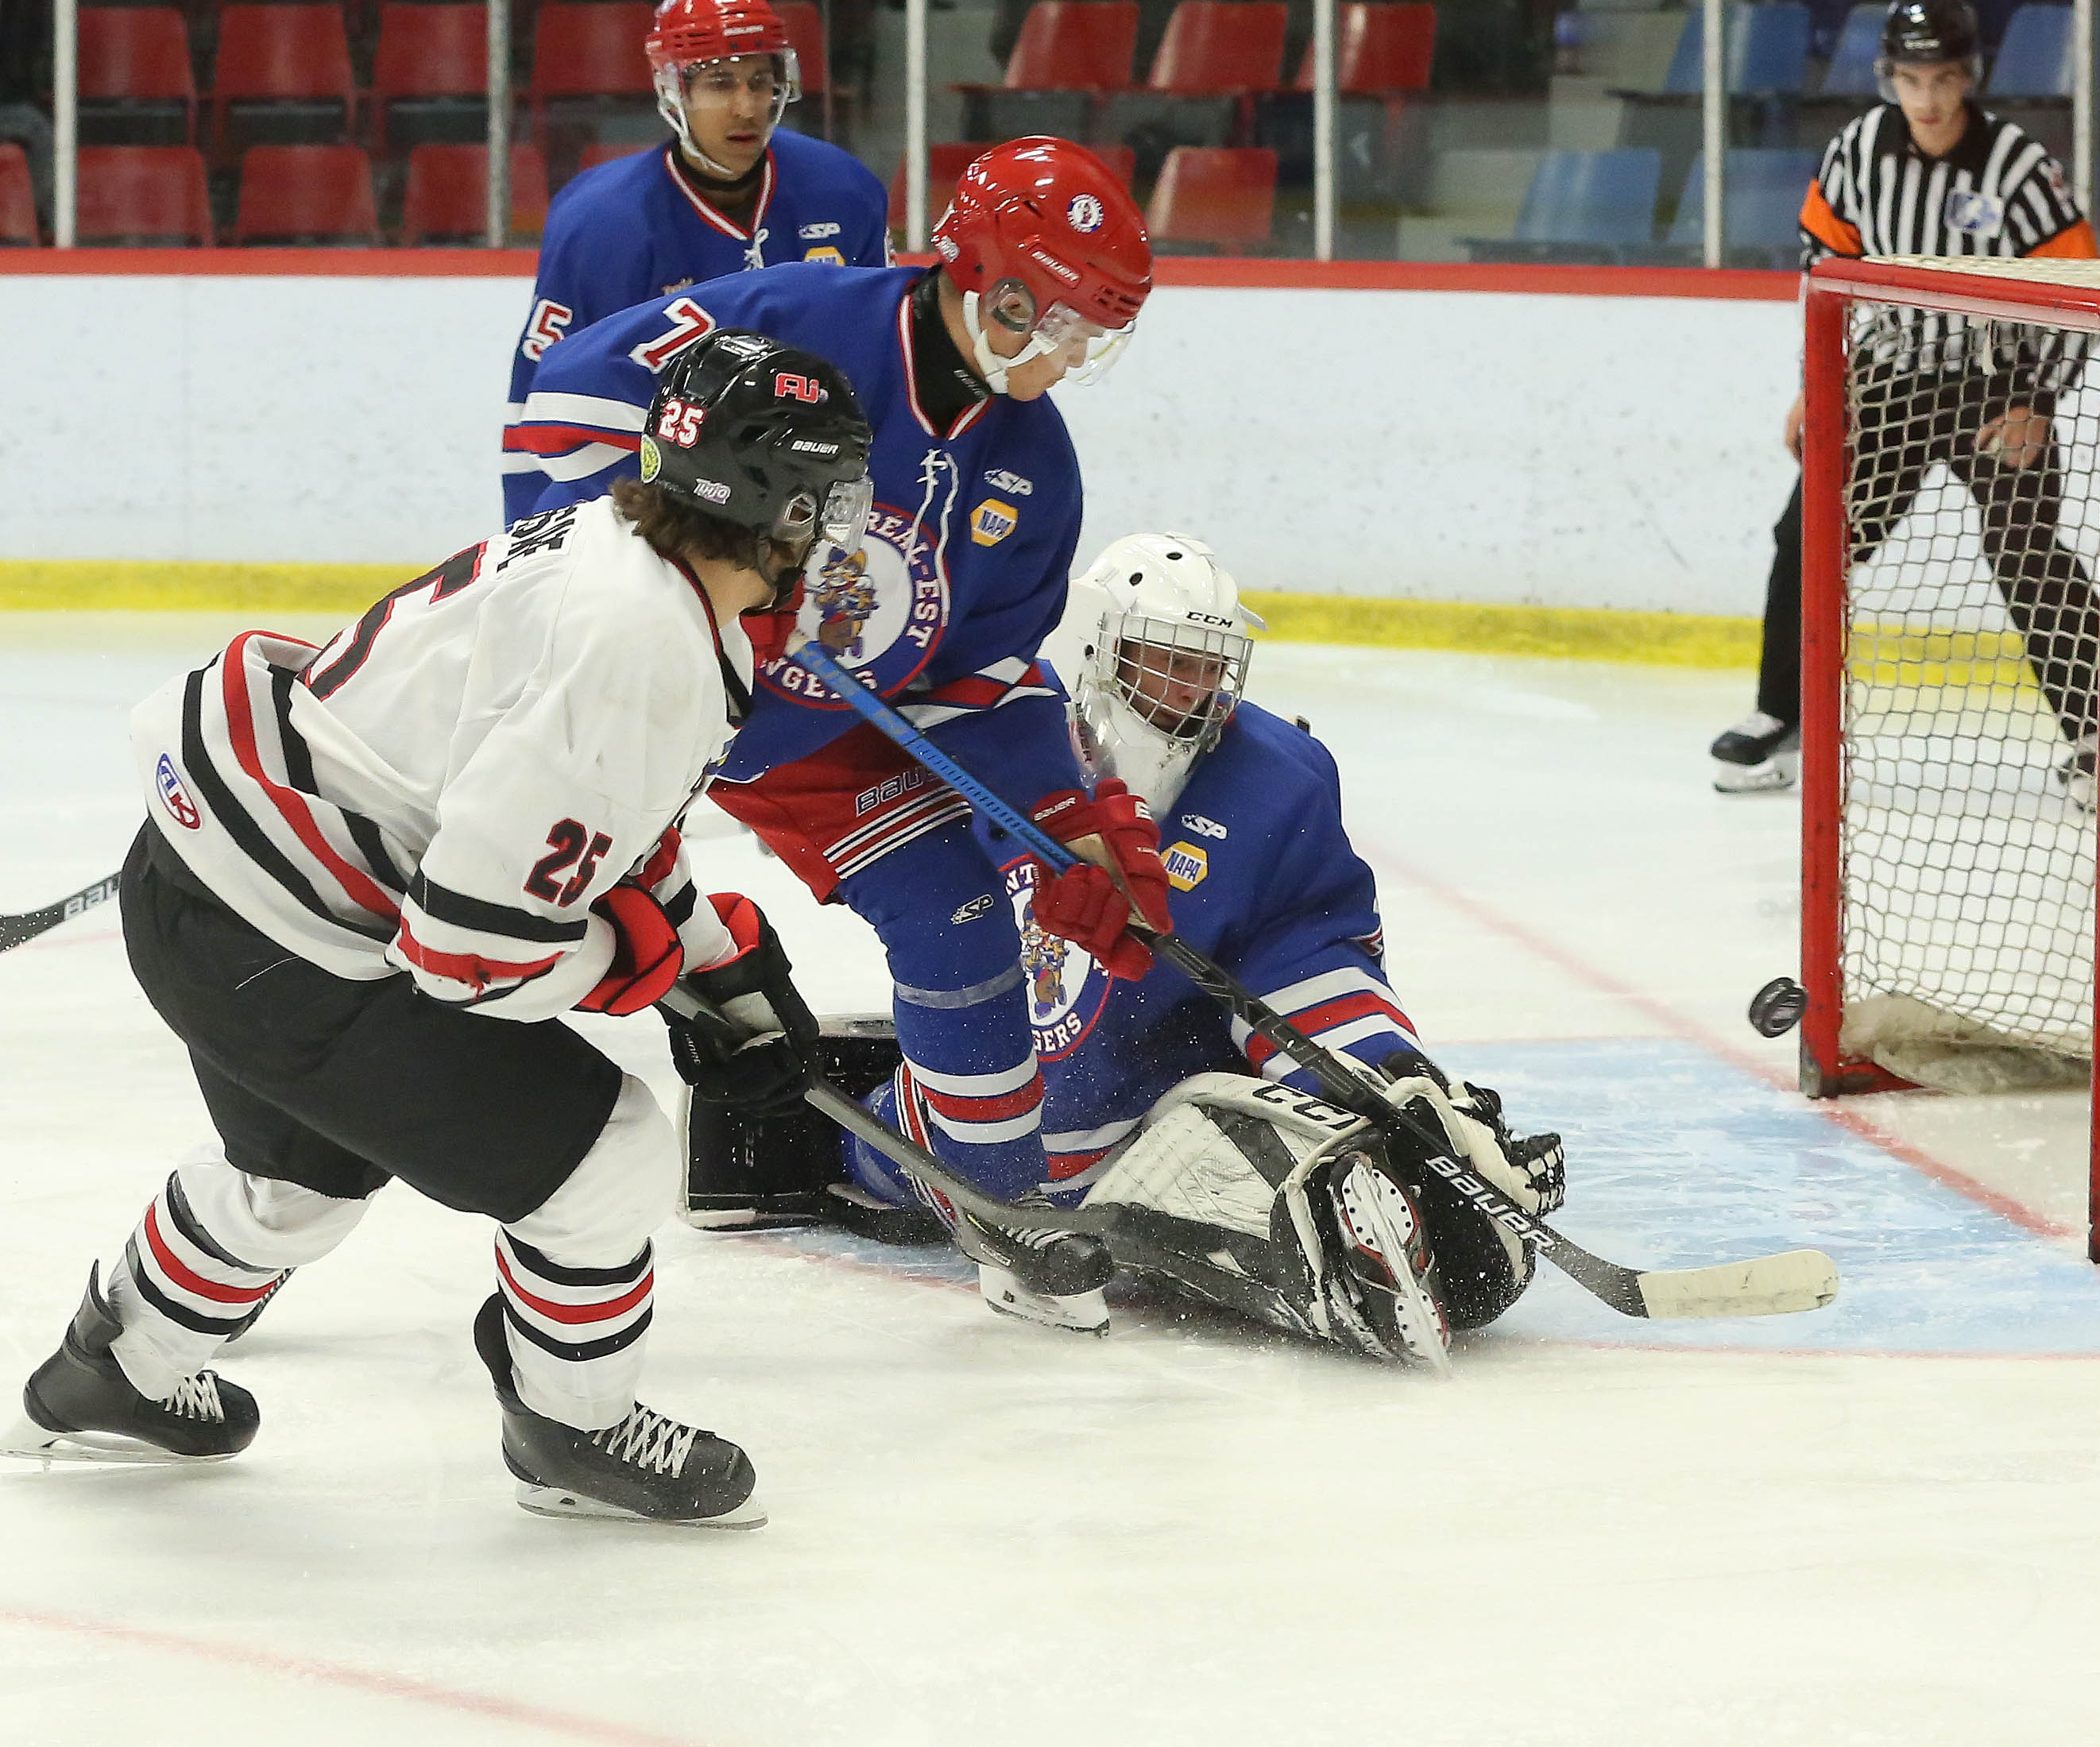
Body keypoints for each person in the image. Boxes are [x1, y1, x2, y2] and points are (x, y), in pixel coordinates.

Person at [7, 334, 876, 1529]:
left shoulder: (620, 547)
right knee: (604, 1155)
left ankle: (115, 1367)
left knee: (300, 1177)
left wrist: (711, 956)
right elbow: (468, 957)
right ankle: (572, 1425)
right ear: (778, 503)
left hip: (208, 883)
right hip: (286, 935)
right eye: (833, 499)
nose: (841, 528)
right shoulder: (642, 644)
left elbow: (583, 815)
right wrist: (639, 969)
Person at [516, 141, 1183, 1314]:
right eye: (1058, 322)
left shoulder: (1036, 469)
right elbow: (566, 400)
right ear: (989, 277)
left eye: (1096, 337)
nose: (1071, 357)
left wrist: (1066, 824)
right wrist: (633, 598)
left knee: (963, 918)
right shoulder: (796, 321)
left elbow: (974, 683)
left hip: (808, 737)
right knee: (488, 927)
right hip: (655, 687)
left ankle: (1002, 1217)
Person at [683, 532, 1571, 1370]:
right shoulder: (996, 748)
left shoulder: (1277, 774)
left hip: (1184, 1068)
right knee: (1017, 1128)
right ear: (1099, 646)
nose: (1191, 688)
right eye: (1168, 660)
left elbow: (1308, 947)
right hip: (1031, 1091)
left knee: (1305, 1123)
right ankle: (839, 1141)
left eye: (1209, 665)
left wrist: (1386, 1072)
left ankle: (1360, 1198)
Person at [1710, 0, 2100, 799]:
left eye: (1944, 78)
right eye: (1912, 79)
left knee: (2026, 553)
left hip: (2001, 390)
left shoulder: (2020, 168)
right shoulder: (1855, 153)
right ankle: (1780, 716)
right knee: (1809, 533)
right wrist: (1816, 386)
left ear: (1970, 78)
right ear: (1890, 77)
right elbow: (1823, 274)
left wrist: (2036, 402)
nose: (1927, 99)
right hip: (1889, 383)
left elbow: (2082, 285)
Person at [502, 0, 891, 520]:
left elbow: (884, 363)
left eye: (760, 81)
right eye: (719, 83)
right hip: (662, 504)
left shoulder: (844, 192)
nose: (745, 106)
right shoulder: (601, 224)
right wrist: (532, 537)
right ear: (672, 89)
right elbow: (540, 403)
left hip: (813, 503)